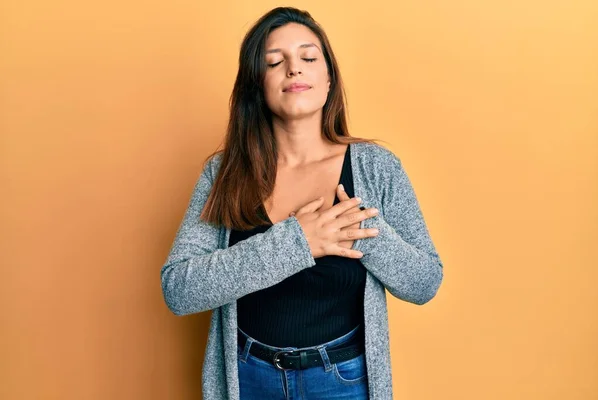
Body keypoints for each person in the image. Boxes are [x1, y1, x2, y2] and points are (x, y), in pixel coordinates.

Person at [160, 6, 444, 400]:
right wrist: (298, 242)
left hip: (343, 382)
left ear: (328, 80)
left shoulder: (376, 167)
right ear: (257, 85)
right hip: (249, 380)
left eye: (309, 58)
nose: (294, 69)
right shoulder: (224, 172)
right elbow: (178, 289)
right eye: (275, 62)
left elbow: (425, 282)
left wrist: (356, 233)